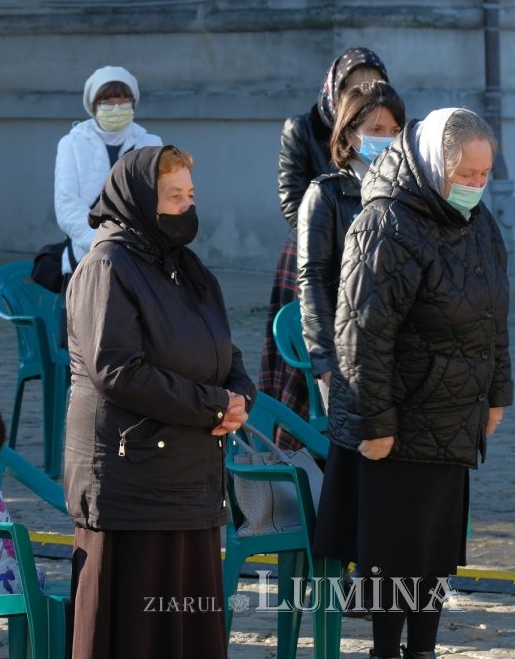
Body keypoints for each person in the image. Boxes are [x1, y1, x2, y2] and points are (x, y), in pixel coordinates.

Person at [315, 108, 511, 659]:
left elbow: (495, 316)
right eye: (464, 173)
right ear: (431, 164)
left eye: (483, 174)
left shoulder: (479, 223)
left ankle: (423, 649)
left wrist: (497, 393)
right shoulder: (386, 223)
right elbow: (361, 333)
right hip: (397, 425)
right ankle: (384, 650)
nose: (475, 185)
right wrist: (373, 424)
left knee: (434, 552)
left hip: (453, 416)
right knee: (393, 556)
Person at [64, 145, 253, 659]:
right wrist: (213, 406)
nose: (186, 207)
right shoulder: (108, 266)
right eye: (173, 197)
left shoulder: (186, 269)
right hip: (131, 487)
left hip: (189, 480)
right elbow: (118, 370)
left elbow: (223, 350)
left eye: (190, 195)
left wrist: (239, 397)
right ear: (140, 202)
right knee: (136, 632)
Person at [263, 47, 389, 441]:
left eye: (373, 86)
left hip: (368, 249)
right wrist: (327, 227)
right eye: (354, 87)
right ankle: (296, 436)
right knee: (305, 347)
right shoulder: (302, 128)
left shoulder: (385, 128)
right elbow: (291, 199)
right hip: (310, 247)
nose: (362, 95)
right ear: (337, 88)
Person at [296, 80, 404, 415]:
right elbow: (312, 281)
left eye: (395, 130)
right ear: (348, 134)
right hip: (346, 355)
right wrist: (325, 361)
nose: (387, 139)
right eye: (376, 130)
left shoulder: (409, 193)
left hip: (402, 352)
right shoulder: (325, 194)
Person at [54, 65, 163, 282]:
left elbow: (157, 202)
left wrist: (135, 244)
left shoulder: (151, 144)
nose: (116, 108)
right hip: (85, 260)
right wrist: (101, 244)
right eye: (107, 102)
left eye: (123, 101)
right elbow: (67, 205)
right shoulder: (72, 143)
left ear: (134, 103)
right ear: (93, 106)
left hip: (140, 259)